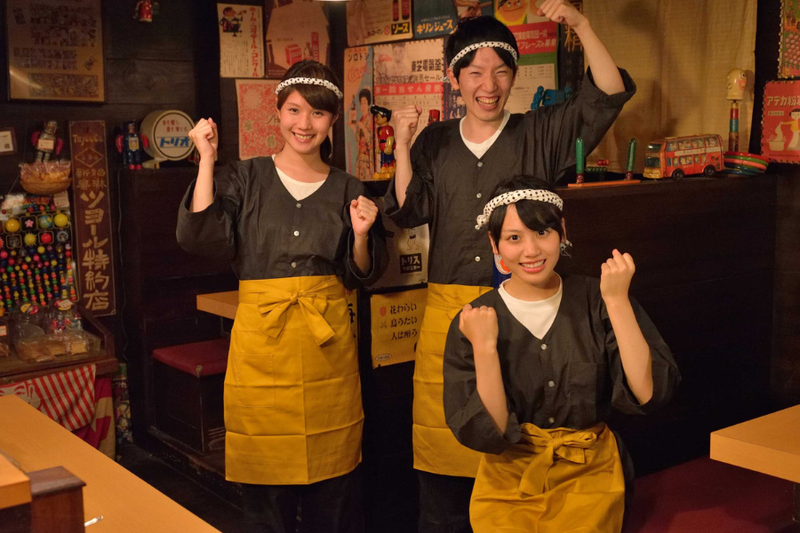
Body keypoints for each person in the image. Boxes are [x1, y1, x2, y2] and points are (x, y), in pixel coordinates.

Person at [383, 5, 637, 532]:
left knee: (515, 453)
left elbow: (607, 95)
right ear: (454, 78)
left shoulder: (539, 131)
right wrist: (402, 147)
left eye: (501, 71)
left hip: (524, 314)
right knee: (444, 469)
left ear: (514, 76)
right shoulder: (435, 141)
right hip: (451, 317)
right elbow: (409, 210)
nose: (489, 85)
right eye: (475, 72)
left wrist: (582, 25)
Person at [176, 59, 388, 533]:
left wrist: (359, 235)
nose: (304, 124)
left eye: (318, 113)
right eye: (294, 110)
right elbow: (200, 237)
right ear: (278, 113)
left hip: (326, 351)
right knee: (265, 500)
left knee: (333, 498)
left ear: (333, 120)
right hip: (261, 351)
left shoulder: (348, 187)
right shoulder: (245, 177)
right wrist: (207, 159)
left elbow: (360, 273)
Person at [444, 176, 681, 532]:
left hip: (591, 473)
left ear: (562, 232)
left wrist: (617, 301)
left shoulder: (599, 297)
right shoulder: (474, 320)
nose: (531, 250)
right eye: (514, 238)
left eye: (542, 232)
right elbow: (490, 433)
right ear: (494, 244)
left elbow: (648, 393)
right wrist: (485, 348)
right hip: (510, 480)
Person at [349, 88, 374, 181]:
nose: (363, 106)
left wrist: (363, 127)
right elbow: (358, 140)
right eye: (361, 103)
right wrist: (353, 128)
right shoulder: (361, 119)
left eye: (365, 103)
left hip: (367, 156)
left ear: (368, 104)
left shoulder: (371, 119)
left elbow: (371, 140)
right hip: (360, 155)